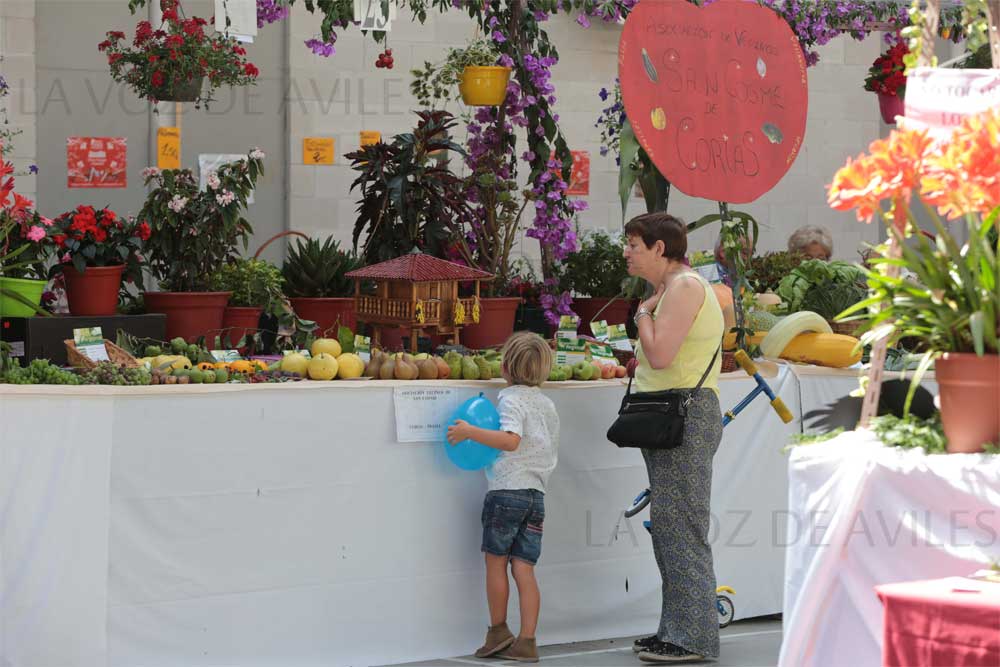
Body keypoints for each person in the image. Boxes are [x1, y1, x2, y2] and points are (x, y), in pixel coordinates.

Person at [622, 212, 725, 664]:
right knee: (669, 526)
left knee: (681, 526)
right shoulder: (673, 287)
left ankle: (693, 639)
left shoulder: (682, 287)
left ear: (660, 248)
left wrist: (642, 314)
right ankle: (676, 628)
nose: (627, 252)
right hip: (673, 414)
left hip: (685, 415)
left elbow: (661, 354)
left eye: (633, 245)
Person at [446, 332, 559, 664]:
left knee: (495, 563)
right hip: (536, 495)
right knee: (524, 569)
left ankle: (498, 631)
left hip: (507, 490)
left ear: (506, 366)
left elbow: (510, 440)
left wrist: (469, 431)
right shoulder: (547, 404)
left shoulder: (510, 399)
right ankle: (527, 641)